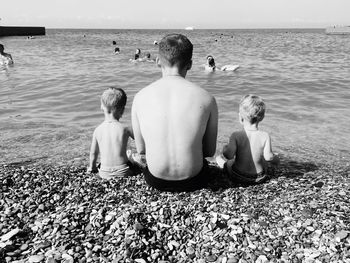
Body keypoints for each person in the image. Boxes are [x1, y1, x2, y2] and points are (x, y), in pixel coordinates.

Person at [132, 34, 218, 192]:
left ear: (158, 61)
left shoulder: (140, 97)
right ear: (190, 64)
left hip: (155, 179)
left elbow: (141, 149)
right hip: (195, 178)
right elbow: (209, 151)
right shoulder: (207, 99)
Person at [216, 94, 279, 184]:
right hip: (260, 177)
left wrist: (225, 149)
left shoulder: (236, 135)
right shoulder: (265, 136)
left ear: (240, 117)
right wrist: (276, 159)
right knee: (265, 158)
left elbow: (229, 156)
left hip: (237, 175)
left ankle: (219, 162)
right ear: (262, 117)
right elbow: (269, 157)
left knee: (225, 161)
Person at [88, 87, 139, 179]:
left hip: (104, 172)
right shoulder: (125, 128)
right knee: (135, 160)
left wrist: (93, 167)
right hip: (124, 171)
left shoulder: (98, 130)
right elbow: (140, 142)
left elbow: (93, 153)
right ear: (122, 110)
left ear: (101, 107)